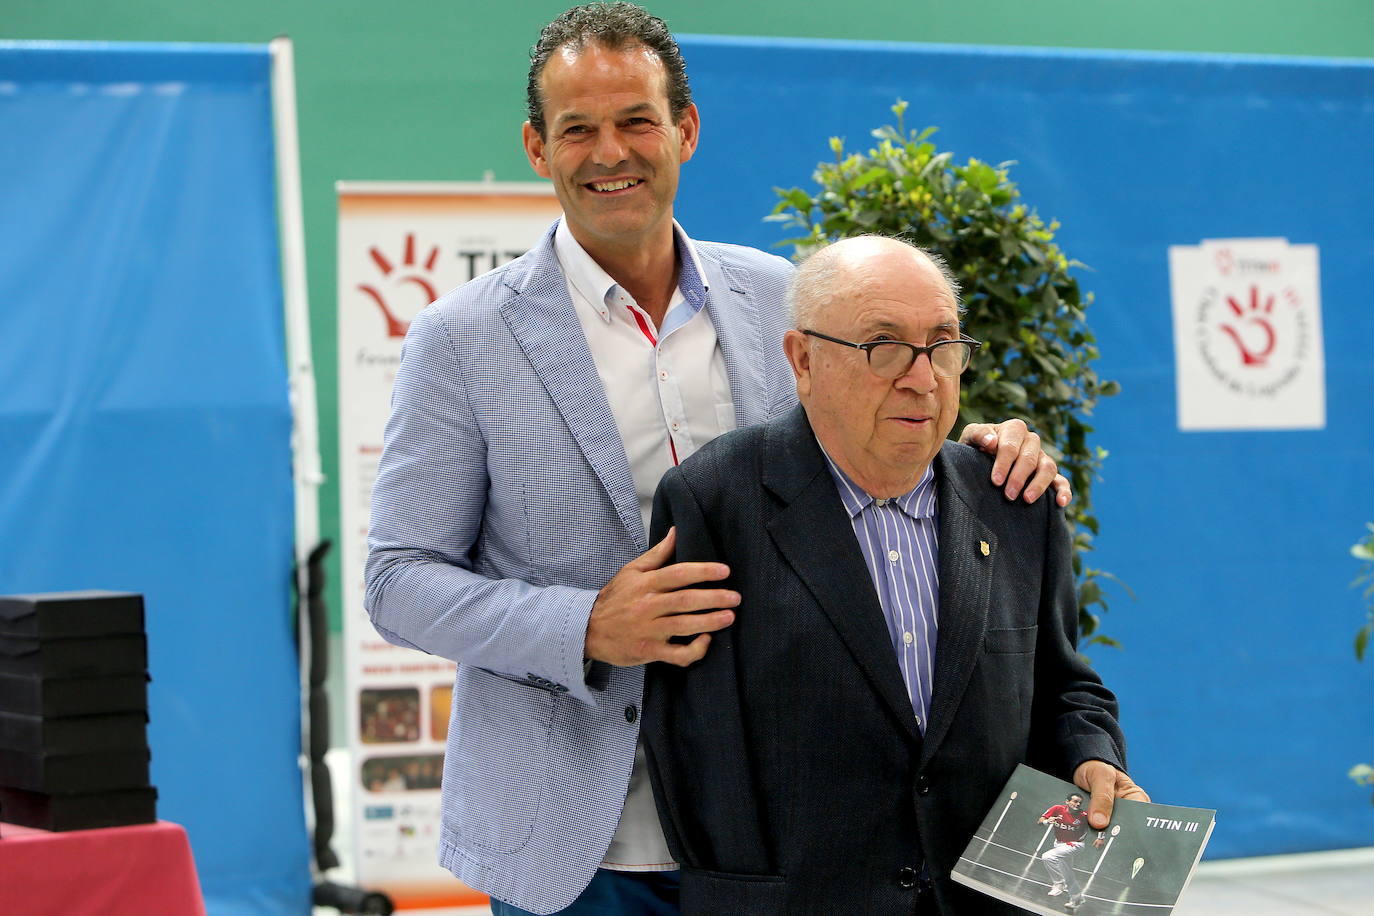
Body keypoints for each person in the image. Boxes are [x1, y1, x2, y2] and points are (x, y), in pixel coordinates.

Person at [364, 5, 1069, 914]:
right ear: (538, 149)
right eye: (577, 128)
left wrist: (983, 451)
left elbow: (878, 453)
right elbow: (397, 579)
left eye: (636, 121)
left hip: (785, 843)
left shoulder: (784, 299)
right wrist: (584, 626)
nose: (608, 151)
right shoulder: (460, 340)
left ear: (685, 131)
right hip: (588, 845)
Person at [641, 236, 1148, 915]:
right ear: (803, 360)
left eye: (942, 345)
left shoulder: (1014, 501)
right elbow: (688, 741)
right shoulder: (716, 501)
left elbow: (1064, 685)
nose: (922, 376)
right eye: (884, 346)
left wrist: (1094, 756)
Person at [1039, 793, 1104, 910]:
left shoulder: (1084, 815)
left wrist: (1100, 838)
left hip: (1075, 844)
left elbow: (1099, 825)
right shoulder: (1057, 809)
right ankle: (1077, 899)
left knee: (1047, 856)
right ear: (1067, 802)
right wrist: (1047, 821)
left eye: (1080, 802)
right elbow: (1040, 820)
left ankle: (1059, 883)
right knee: (1068, 873)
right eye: (1075, 801)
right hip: (1059, 844)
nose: (1078, 804)